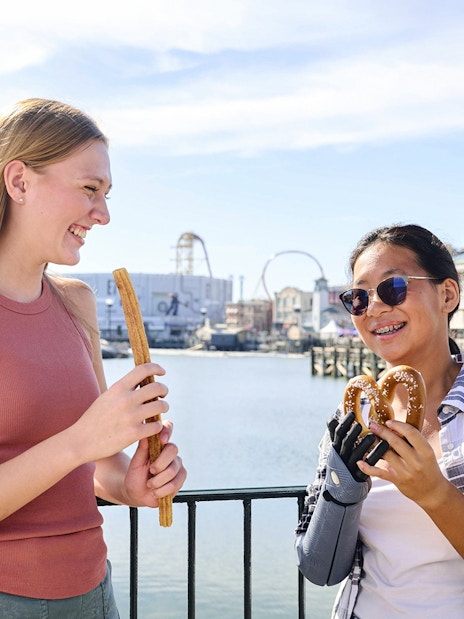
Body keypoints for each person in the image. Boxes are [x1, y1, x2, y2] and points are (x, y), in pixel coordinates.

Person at [0, 98, 187, 618]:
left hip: (94, 592)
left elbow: (96, 466)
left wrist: (131, 483)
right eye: (89, 189)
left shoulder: (77, 302)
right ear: (19, 182)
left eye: (105, 194)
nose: (102, 214)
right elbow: (80, 445)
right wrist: (82, 438)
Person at [295, 224, 464, 618]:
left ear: (447, 294)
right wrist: (344, 483)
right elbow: (320, 569)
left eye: (394, 288)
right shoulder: (352, 418)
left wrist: (434, 493)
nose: (373, 308)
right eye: (358, 297)